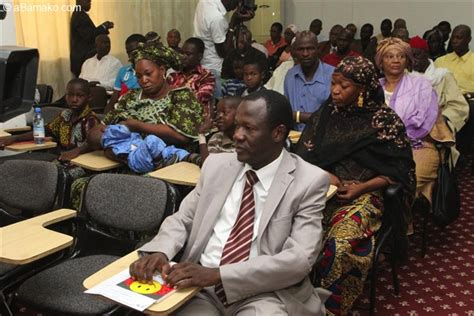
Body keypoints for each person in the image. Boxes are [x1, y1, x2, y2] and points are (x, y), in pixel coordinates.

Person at [130, 89, 330, 315]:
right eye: (237, 126)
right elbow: (184, 219)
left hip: (265, 292)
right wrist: (161, 251)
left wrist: (219, 274)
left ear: (278, 133)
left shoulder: (309, 181)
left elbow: (299, 259)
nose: (237, 135)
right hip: (200, 287)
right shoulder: (216, 166)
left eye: (249, 128)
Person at [295, 55, 415, 316]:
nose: (335, 91)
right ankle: (295, 300)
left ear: (362, 89)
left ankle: (330, 309)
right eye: (333, 84)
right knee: (291, 234)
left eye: (344, 86)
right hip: (322, 191)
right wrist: (326, 175)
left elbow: (399, 170)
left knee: (336, 245)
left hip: (366, 195)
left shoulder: (385, 121)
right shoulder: (326, 115)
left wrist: (361, 188)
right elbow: (303, 156)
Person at [376, 37, 441, 207]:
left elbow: (425, 120)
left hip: (418, 145)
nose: (395, 60)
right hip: (377, 147)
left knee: (402, 181)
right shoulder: (374, 87)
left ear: (407, 60)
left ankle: (400, 226)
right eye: (389, 56)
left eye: (401, 56)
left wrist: (394, 137)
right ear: (380, 62)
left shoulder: (421, 85)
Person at [102, 41, 204, 147]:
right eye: (139, 76)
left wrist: (137, 126)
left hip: (169, 160)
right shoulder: (130, 96)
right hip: (124, 155)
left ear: (162, 70)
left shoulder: (181, 97)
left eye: (148, 74)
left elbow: (180, 136)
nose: (144, 80)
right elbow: (101, 127)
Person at [0, 79, 99, 161]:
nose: (74, 99)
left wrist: (76, 151)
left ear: (89, 98)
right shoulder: (65, 115)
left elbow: (95, 144)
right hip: (61, 157)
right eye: (70, 95)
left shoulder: (91, 120)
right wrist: (15, 138)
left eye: (80, 96)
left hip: (81, 161)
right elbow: (45, 131)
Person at [411, 35, 469, 164]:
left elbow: (458, 106)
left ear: (426, 54)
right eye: (410, 57)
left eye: (416, 56)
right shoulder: (406, 78)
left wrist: (441, 121)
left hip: (436, 130)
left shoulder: (442, 76)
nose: (413, 61)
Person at [193, 0, 254, 99]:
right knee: (214, 106)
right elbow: (223, 52)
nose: (236, 6)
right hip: (212, 69)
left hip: (201, 64)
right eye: (237, 2)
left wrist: (236, 22)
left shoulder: (204, 2)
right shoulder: (217, 18)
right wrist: (233, 22)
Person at [87, 124, 192, 173]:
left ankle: (189, 157)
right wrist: (111, 128)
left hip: (138, 162)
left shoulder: (108, 149)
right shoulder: (109, 135)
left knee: (168, 150)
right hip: (136, 157)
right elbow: (124, 130)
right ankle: (161, 163)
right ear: (102, 130)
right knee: (151, 140)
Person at [284, 31, 334, 131]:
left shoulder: (332, 75)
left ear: (318, 49)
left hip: (323, 138)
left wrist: (296, 115)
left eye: (310, 49)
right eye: (301, 49)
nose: (305, 54)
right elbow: (286, 113)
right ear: (295, 51)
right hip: (294, 138)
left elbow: (332, 117)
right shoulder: (290, 75)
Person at [169, 37, 216, 115]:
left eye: (188, 54)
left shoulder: (206, 76)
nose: (183, 57)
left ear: (199, 56)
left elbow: (198, 99)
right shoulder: (173, 75)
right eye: (182, 53)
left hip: (197, 118)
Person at [70, 0, 114, 77]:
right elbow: (89, 36)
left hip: (82, 58)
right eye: (87, 1)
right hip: (83, 58)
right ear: (79, 1)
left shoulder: (79, 14)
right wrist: (104, 26)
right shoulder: (80, 15)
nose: (90, 3)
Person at [105, 33, 146, 114]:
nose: (130, 55)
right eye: (128, 52)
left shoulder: (151, 71)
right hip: (122, 111)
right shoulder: (123, 71)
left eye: (134, 51)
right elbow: (114, 98)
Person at [197, 96, 240, 161]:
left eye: (225, 113)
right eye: (217, 113)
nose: (219, 116)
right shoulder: (216, 139)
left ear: (239, 114)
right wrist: (201, 135)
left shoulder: (247, 138)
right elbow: (208, 165)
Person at [435, 25, 474, 94]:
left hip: (469, 101)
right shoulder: (440, 61)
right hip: (444, 101)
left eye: (459, 38)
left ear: (469, 39)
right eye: (452, 38)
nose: (454, 41)